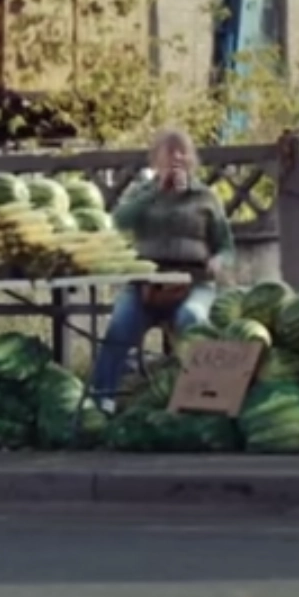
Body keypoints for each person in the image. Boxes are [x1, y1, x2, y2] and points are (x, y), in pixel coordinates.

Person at [91, 126, 235, 405]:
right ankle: (101, 399)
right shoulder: (142, 192)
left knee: (192, 320)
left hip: (194, 282)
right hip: (146, 284)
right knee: (120, 325)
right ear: (156, 160)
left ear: (191, 159)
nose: (176, 158)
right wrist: (157, 191)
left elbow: (227, 245)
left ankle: (202, 398)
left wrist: (219, 260)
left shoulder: (205, 196)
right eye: (169, 153)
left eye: (182, 152)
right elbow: (119, 221)